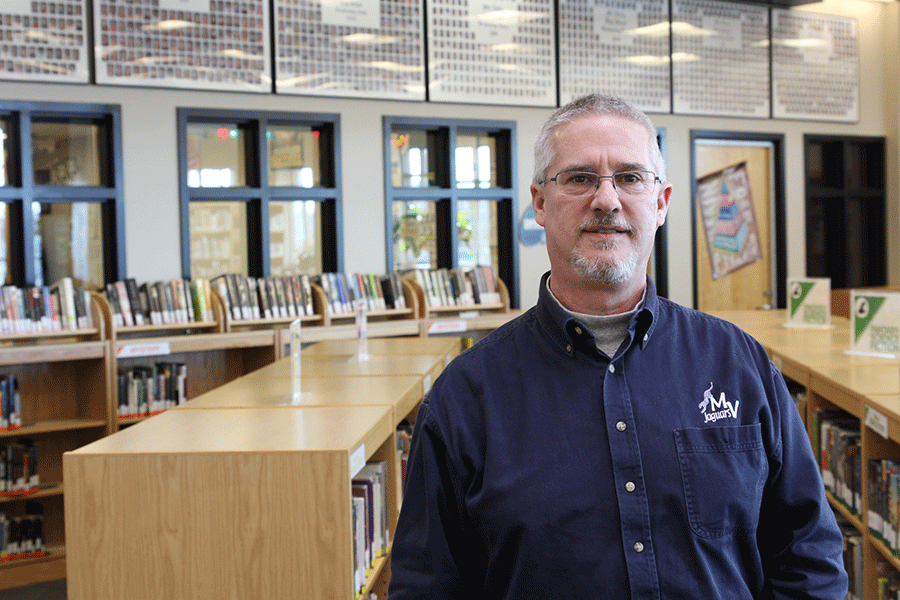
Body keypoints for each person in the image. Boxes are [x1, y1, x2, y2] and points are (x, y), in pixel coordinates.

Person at [387, 94, 848, 599]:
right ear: (540, 203)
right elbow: (426, 586)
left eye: (630, 178)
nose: (606, 201)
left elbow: (810, 557)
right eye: (580, 178)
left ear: (662, 202)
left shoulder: (741, 367)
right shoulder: (466, 398)